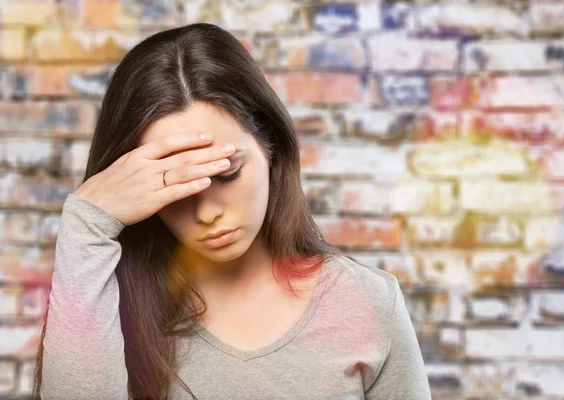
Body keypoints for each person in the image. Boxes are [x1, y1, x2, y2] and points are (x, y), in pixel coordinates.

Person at [33, 23, 431, 399]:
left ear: (270, 147)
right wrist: (87, 221)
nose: (207, 213)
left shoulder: (368, 301)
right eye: (174, 187)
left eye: (227, 174)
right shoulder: (108, 305)